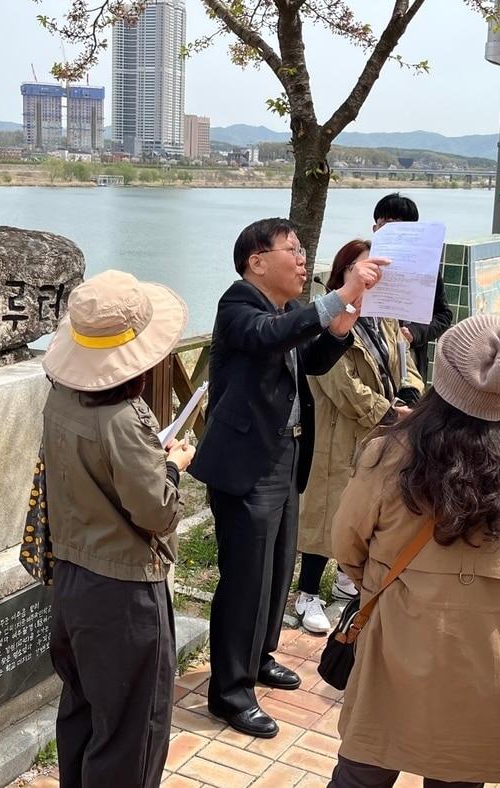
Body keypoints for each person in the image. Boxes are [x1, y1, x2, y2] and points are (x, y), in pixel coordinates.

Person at [330, 315, 500, 788]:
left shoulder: (387, 455)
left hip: (398, 632)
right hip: (488, 649)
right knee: (459, 772)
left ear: (440, 377)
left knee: (364, 768)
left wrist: (378, 577)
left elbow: (346, 544)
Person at [190, 217, 384, 738]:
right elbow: (267, 338)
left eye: (302, 251)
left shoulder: (286, 311)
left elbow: (309, 362)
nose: (302, 260)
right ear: (257, 262)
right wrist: (341, 294)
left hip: (286, 454)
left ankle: (258, 658)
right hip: (246, 464)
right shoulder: (239, 305)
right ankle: (229, 692)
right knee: (244, 581)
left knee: (276, 570)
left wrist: (339, 327)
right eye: (292, 251)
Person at [39, 270, 195, 787]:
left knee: (82, 713)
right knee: (132, 734)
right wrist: (172, 466)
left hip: (72, 577)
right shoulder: (124, 419)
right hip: (124, 590)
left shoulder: (60, 399)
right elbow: (156, 512)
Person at [296, 239, 423, 634]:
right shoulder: (327, 313)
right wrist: (387, 412)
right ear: (344, 272)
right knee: (326, 511)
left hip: (378, 431)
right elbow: (339, 383)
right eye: (362, 268)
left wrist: (410, 395)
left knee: (363, 509)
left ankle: (343, 578)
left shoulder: (385, 315)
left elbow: (405, 362)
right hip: (338, 430)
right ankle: (307, 593)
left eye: (377, 269)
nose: (372, 276)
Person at [373, 193, 453, 379]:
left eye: (396, 226)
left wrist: (415, 333)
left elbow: (443, 315)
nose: (388, 232)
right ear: (374, 228)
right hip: (370, 359)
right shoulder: (361, 264)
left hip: (410, 360)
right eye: (382, 225)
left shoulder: (425, 269)